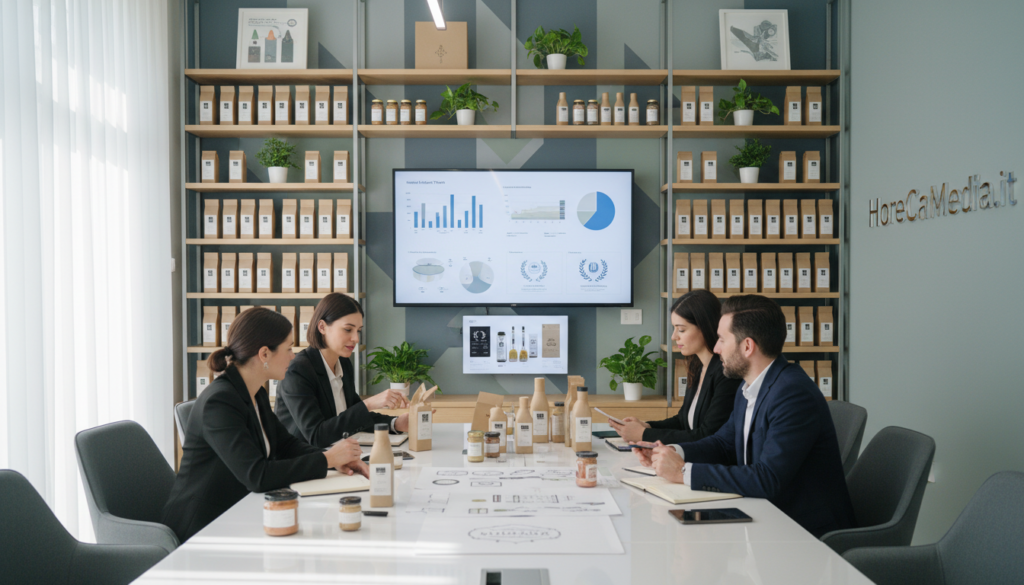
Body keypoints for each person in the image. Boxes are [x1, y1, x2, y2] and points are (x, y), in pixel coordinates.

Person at [634, 295, 855, 537]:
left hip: (802, 533)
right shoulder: (748, 386)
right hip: (763, 517)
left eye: (721, 339)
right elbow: (723, 444)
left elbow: (767, 478)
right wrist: (671, 452)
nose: (716, 348)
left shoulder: (792, 393)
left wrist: (683, 472)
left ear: (747, 346)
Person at [162, 308, 367, 543]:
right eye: (288, 348)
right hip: (203, 526)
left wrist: (332, 459)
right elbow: (257, 476)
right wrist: (328, 460)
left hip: (241, 511)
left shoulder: (255, 391)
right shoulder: (219, 402)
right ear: (264, 354)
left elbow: (285, 444)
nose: (293, 356)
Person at [276, 293, 413, 448]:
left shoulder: (343, 363)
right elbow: (316, 436)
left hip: (337, 455)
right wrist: (368, 403)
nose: (356, 338)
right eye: (348, 329)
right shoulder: (298, 370)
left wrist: (397, 423)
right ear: (322, 327)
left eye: (358, 330)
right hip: (305, 462)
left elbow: (354, 418)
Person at [609, 290, 740, 444]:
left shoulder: (726, 374)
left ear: (705, 327)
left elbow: (707, 435)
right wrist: (646, 426)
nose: (674, 336)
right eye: (674, 328)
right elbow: (682, 421)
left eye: (681, 330)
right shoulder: (698, 366)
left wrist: (644, 435)